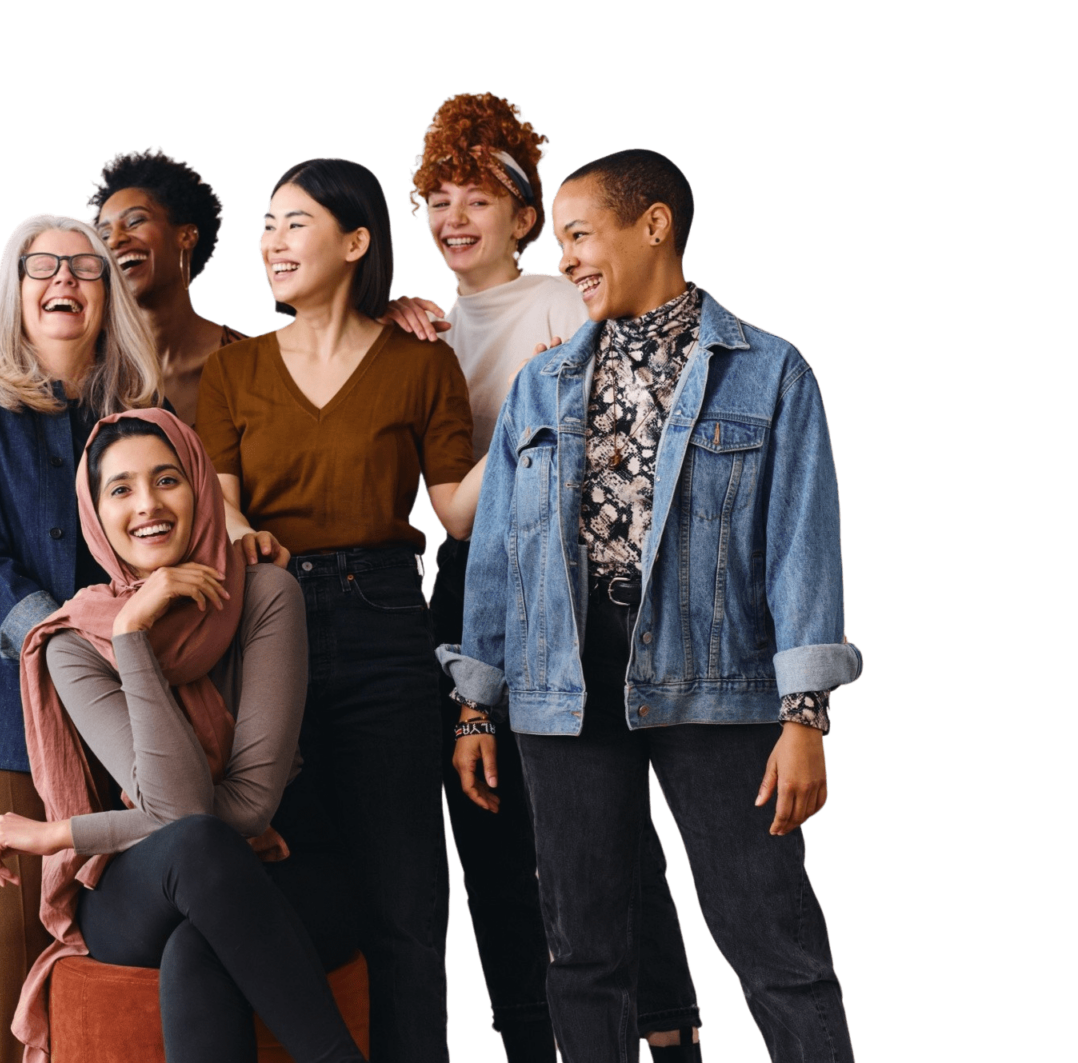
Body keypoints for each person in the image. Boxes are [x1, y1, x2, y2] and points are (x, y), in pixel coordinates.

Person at [442, 147, 860, 1061]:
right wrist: (478, 702)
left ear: (655, 225)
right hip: (565, 680)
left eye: (582, 235)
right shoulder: (542, 385)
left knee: (772, 942)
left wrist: (805, 715)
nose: (570, 260)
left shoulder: (769, 371)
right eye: (560, 244)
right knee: (583, 951)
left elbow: (801, 547)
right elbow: (502, 554)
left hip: (718, 678)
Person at [391, 92, 704, 1060]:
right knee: (484, 821)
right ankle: (529, 1030)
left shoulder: (566, 297)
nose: (453, 218)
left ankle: (663, 1019)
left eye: (477, 199)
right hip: (463, 582)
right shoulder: (418, 323)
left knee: (596, 816)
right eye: (437, 197)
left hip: (563, 583)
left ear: (527, 218)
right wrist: (386, 326)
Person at [198, 157, 488, 1063]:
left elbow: (451, 510)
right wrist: (242, 526)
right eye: (266, 226)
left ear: (354, 241)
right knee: (287, 869)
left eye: (294, 224)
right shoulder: (233, 367)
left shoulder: (421, 362)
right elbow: (217, 497)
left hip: (388, 622)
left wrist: (531, 414)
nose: (271, 243)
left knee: (405, 892)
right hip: (266, 619)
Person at [0, 408, 365, 1063]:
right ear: (94, 513)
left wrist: (64, 834)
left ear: (200, 488)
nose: (147, 505)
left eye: (167, 479)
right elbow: (189, 814)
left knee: (198, 945)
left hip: (291, 861)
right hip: (141, 883)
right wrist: (131, 633)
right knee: (196, 845)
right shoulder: (74, 642)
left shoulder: (266, 594)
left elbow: (248, 808)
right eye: (120, 489)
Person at [0, 214, 163, 1062]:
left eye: (86, 268)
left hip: (123, 704)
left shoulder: (141, 409)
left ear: (109, 293)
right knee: (0, 940)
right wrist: (54, 631)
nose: (64, 280)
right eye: (42, 266)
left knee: (113, 939)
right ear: (15, 289)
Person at [89, 147, 247, 426]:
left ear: (186, 236)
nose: (115, 240)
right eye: (104, 234)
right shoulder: (90, 366)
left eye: (135, 221)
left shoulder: (248, 363)